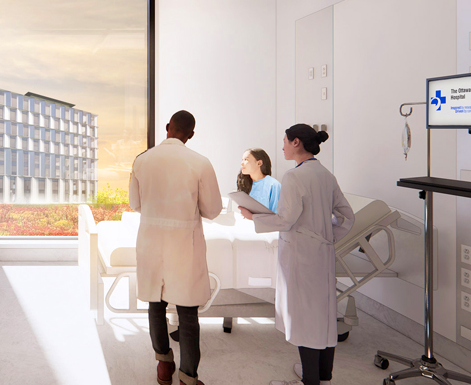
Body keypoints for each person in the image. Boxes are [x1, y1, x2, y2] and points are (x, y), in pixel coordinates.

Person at [238, 124, 354, 385]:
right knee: (323, 315)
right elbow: (348, 217)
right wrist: (325, 237)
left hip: (302, 255)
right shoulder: (326, 174)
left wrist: (253, 215)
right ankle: (323, 376)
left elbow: (285, 220)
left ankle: (309, 380)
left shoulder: (294, 177)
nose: (281, 146)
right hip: (321, 254)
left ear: (296, 143)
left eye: (284, 141)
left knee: (304, 319)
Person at [129, 110, 222, 385]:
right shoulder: (200, 163)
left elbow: (135, 204)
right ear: (191, 135)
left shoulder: (141, 161)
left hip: (151, 242)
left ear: (167, 127)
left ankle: (163, 366)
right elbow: (213, 209)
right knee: (188, 313)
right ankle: (188, 378)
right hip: (184, 245)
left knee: (155, 306)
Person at [237, 148, 281, 212]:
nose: (242, 163)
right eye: (242, 160)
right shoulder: (244, 184)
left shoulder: (273, 185)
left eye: (246, 160)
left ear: (259, 163)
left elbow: (276, 215)